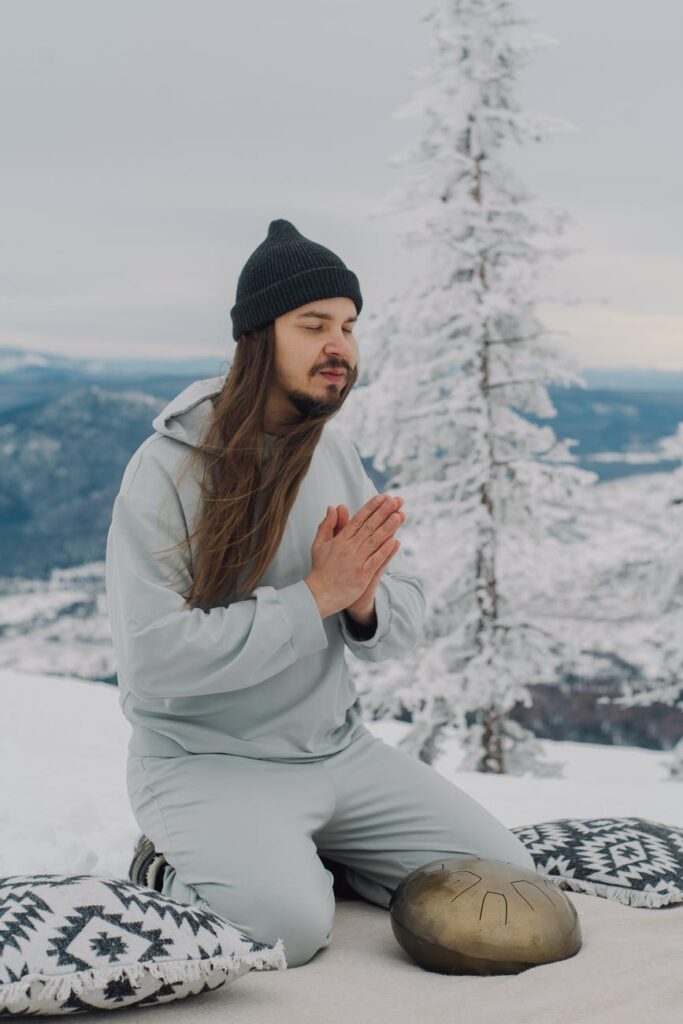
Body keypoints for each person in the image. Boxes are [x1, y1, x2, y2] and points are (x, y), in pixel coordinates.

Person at [105, 218, 536, 969]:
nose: (339, 345)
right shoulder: (167, 469)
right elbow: (152, 661)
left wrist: (361, 601)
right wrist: (313, 598)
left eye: (348, 325)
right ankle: (175, 863)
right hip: (208, 760)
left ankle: (302, 858)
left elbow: (401, 619)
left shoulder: (331, 451)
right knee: (286, 932)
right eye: (313, 325)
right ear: (255, 338)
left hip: (338, 752)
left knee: (502, 888)